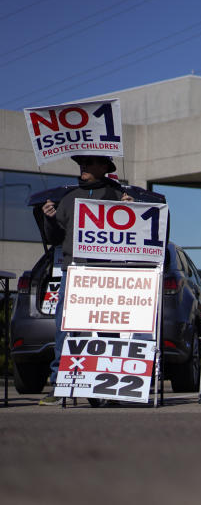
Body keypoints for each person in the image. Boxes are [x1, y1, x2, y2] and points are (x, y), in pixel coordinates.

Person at [38, 155, 132, 405]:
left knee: (107, 329)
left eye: (90, 163)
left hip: (105, 272)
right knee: (66, 327)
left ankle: (106, 384)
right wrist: (49, 217)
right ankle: (60, 383)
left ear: (104, 168)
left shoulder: (117, 195)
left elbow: (131, 233)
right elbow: (56, 238)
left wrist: (132, 210)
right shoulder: (68, 198)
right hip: (74, 270)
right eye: (82, 163)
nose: (84, 167)